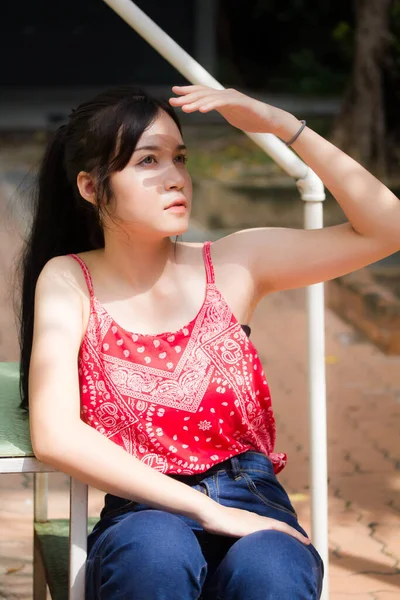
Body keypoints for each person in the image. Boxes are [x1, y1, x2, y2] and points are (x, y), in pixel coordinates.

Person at [18, 83, 399, 599]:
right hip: (143, 507)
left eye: (180, 157)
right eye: (148, 160)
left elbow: (387, 228)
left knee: (272, 571)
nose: (175, 177)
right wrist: (203, 509)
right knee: (155, 552)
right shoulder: (69, 279)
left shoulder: (235, 264)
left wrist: (282, 125)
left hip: (252, 498)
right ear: (91, 186)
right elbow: (55, 434)